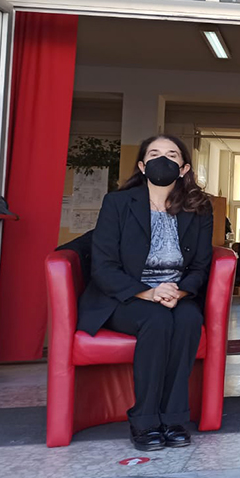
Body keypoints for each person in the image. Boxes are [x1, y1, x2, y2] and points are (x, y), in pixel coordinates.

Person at [82, 135, 213, 451]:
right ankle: (144, 420)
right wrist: (148, 293)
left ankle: (174, 418)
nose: (162, 160)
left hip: (176, 294)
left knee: (187, 320)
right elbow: (103, 265)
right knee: (157, 320)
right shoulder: (117, 204)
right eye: (154, 154)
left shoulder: (198, 208)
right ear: (142, 166)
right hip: (126, 298)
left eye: (171, 154)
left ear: (183, 168)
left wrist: (179, 293)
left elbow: (200, 265)